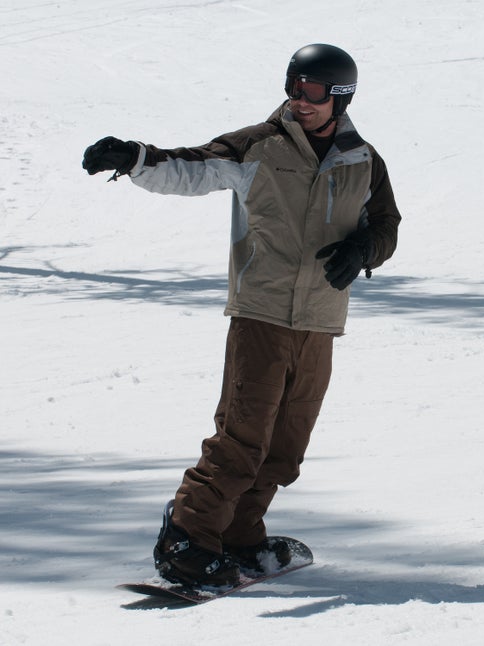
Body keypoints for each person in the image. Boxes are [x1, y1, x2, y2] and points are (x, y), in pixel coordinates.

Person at [82, 44, 401, 586]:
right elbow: (189, 167)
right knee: (242, 435)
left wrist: (364, 250)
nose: (299, 100)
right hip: (262, 312)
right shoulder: (259, 145)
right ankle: (188, 536)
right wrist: (133, 157)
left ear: (340, 95)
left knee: (286, 444)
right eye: (293, 87)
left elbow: (386, 224)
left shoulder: (363, 159)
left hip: (320, 320)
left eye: (313, 91)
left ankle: (239, 532)